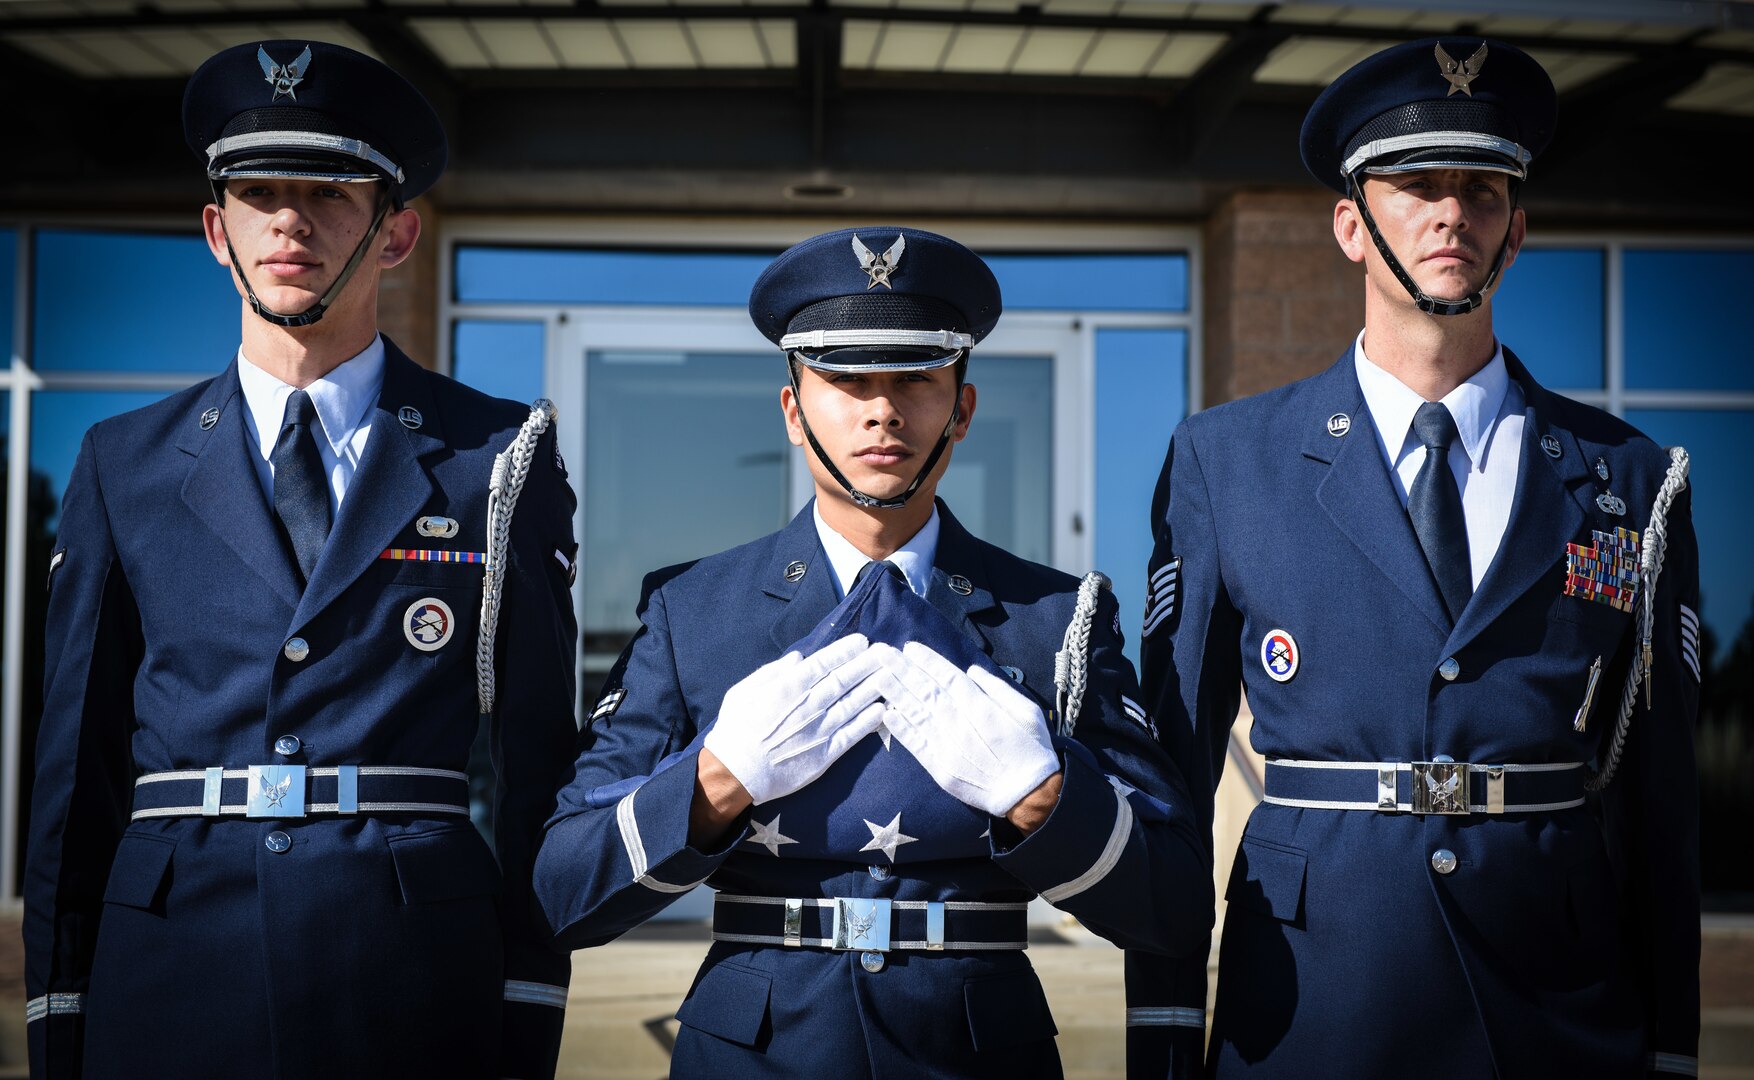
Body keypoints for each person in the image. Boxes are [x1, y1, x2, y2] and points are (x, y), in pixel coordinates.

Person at [1139, 37, 1701, 1079]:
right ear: (1350, 225)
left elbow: (1658, 799)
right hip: (1312, 1001)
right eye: (1415, 186)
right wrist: (1164, 1038)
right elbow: (1170, 784)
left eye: (1480, 189)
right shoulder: (1226, 461)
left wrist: (1670, 1048)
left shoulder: (1628, 476)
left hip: (1556, 1008)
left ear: (1515, 229)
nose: (1451, 213)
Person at [23, 40, 579, 1079]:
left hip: (409, 969)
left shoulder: (496, 460)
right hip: (171, 957)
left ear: (397, 230)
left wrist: (526, 1003)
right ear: (215, 231)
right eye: (257, 192)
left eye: (328, 191)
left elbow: (535, 766)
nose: (289, 219)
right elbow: (74, 771)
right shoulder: (122, 463)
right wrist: (60, 1008)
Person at [534, 226, 1211, 1077]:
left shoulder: (1057, 619)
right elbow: (561, 890)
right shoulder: (696, 610)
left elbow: (1176, 907)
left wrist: (1045, 798)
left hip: (979, 1048)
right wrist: (717, 782)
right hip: (753, 1049)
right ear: (793, 410)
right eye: (846, 380)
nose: (882, 409)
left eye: (916, 381)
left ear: (961, 409)